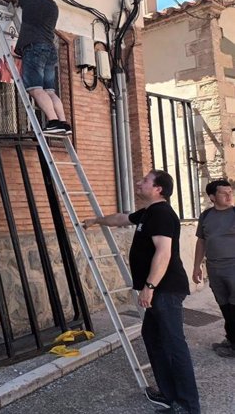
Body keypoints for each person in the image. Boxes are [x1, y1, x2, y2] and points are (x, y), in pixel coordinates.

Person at [83, 170, 200, 414]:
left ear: (158, 189)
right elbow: (122, 218)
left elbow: (163, 253)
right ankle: (168, 395)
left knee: (173, 345)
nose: (139, 183)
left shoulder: (162, 214)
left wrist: (149, 287)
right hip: (159, 290)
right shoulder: (148, 213)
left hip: (165, 289)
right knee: (154, 339)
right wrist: (97, 221)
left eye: (145, 181)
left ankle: (188, 406)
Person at [5, 0, 71, 135]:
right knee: (49, 91)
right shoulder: (53, 7)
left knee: (35, 89)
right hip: (50, 49)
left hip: (35, 49)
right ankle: (63, 122)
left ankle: (53, 121)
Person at [193, 178, 235, 358]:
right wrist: (196, 267)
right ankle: (232, 338)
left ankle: (233, 345)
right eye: (223, 193)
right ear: (212, 197)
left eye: (230, 192)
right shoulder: (206, 216)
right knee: (224, 306)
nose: (229, 195)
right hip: (214, 268)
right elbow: (201, 241)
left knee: (234, 307)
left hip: (233, 267)